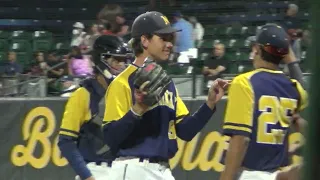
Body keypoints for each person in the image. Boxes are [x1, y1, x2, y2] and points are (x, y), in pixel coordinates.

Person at [102, 11, 229, 180]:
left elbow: (185, 131)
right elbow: (111, 138)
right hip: (133, 167)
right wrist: (138, 108)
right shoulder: (123, 82)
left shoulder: (166, 83)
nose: (169, 44)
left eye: (171, 39)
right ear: (145, 40)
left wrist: (210, 104)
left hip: (162, 169)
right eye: (163, 38)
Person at [219, 24, 308, 180]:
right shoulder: (294, 88)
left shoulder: (244, 82)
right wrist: (291, 61)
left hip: (250, 174)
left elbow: (241, 139)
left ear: (258, 50)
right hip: (276, 173)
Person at [58, 35, 132, 180]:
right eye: (116, 60)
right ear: (101, 61)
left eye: (123, 61)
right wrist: (87, 176)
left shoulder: (127, 93)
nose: (121, 66)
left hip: (125, 169)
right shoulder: (83, 94)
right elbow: (66, 141)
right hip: (97, 171)